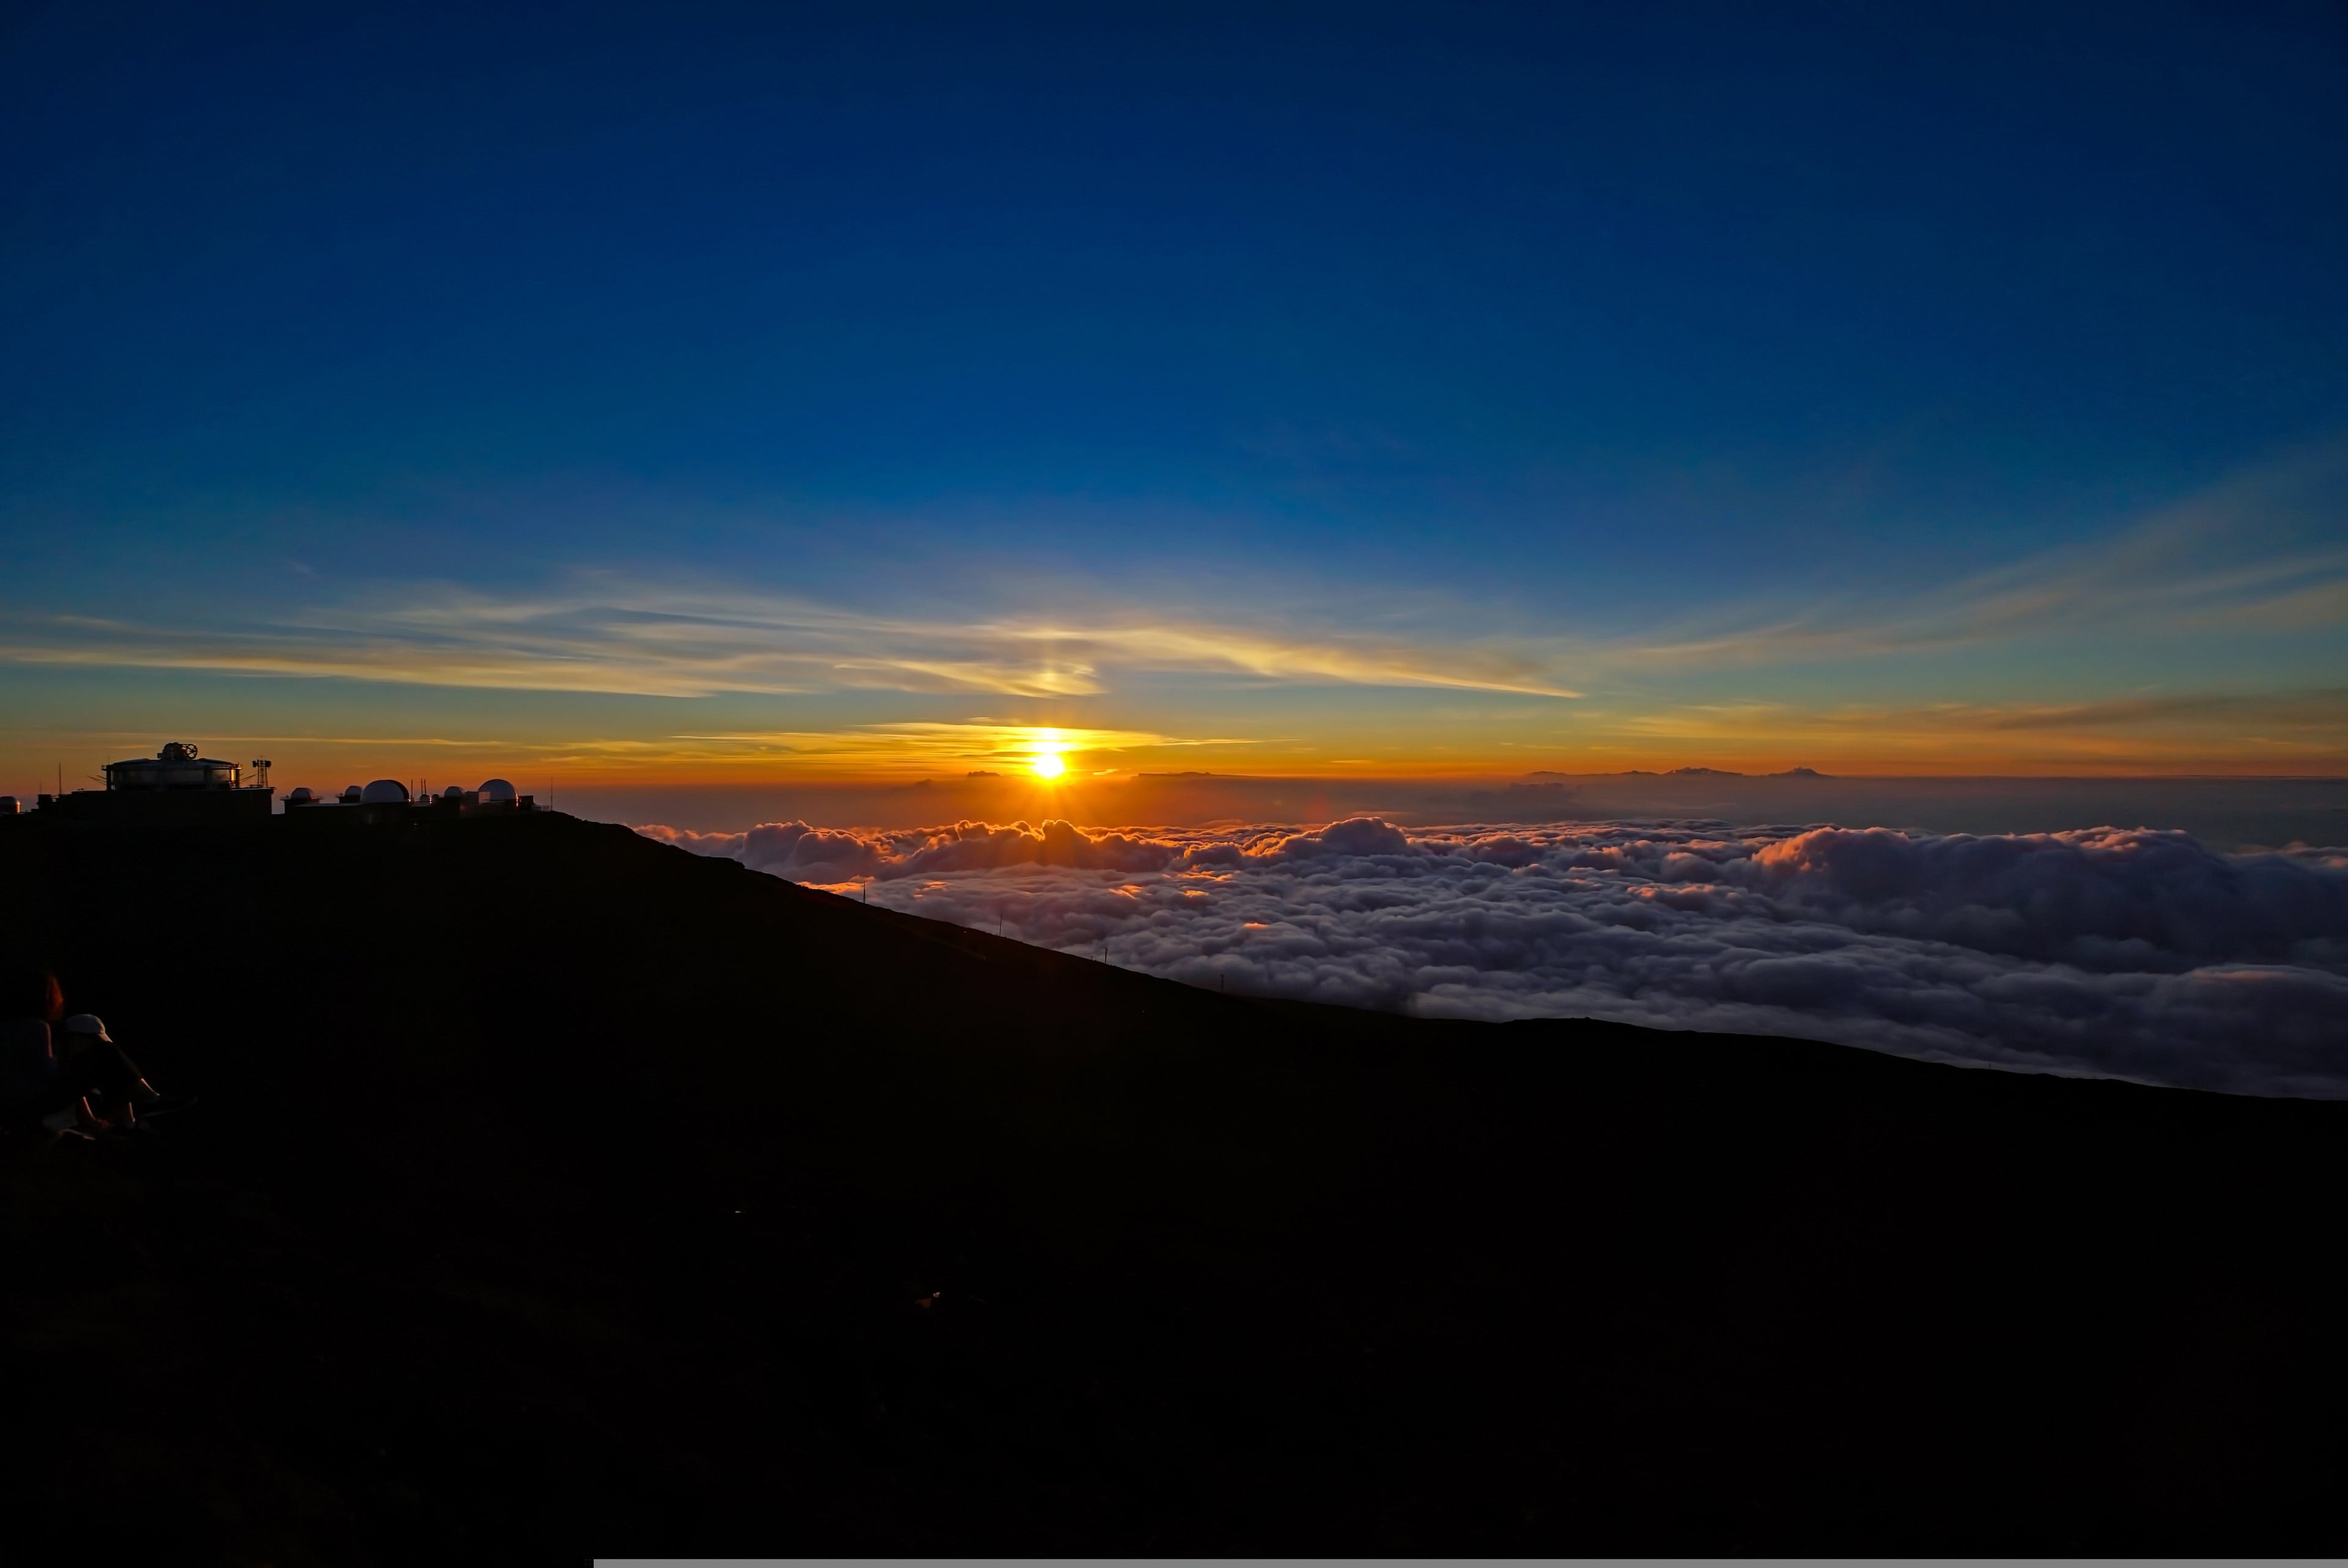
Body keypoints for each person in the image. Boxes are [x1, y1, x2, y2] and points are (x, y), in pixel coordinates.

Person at [0, 965, 160, 1138]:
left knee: (96, 1061)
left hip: (12, 1105)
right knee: (104, 1053)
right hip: (27, 1106)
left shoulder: (8, 1026)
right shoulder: (35, 1027)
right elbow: (47, 1074)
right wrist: (70, 1062)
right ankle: (149, 1102)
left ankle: (131, 1117)